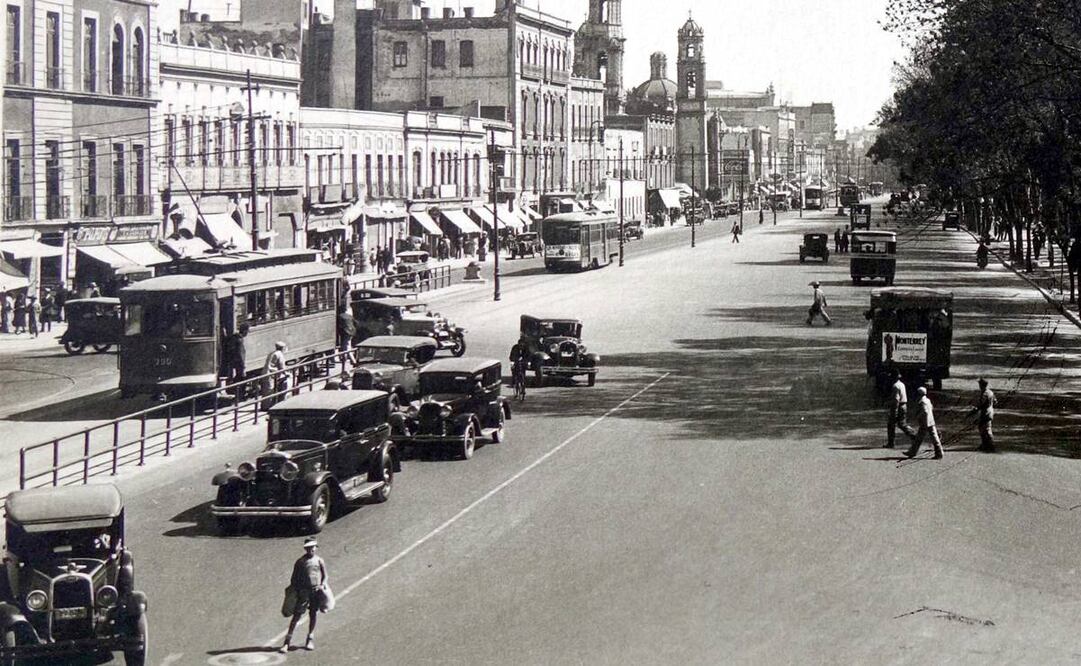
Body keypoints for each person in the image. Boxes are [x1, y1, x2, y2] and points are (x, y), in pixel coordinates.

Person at [280, 538, 328, 653]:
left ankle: (310, 639)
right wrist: (299, 590)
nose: (311, 549)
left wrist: (322, 585)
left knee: (313, 614)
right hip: (304, 593)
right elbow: (294, 579)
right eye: (308, 547)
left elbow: (325, 576)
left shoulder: (319, 560)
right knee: (296, 616)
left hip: (316, 592)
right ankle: (287, 642)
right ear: (305, 549)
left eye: (313, 547)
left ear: (316, 548)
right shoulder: (300, 562)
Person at [905, 387, 944, 459]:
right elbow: (931, 407)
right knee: (933, 437)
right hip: (930, 421)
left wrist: (918, 416)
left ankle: (912, 452)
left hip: (925, 422)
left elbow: (925, 411)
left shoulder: (922, 402)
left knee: (920, 438)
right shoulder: (928, 400)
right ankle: (939, 452)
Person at [885, 370, 916, 448]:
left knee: (891, 424)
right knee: (902, 424)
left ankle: (891, 443)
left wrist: (894, 411)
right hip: (904, 405)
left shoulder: (895, 386)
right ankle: (914, 435)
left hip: (898, 406)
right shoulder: (901, 384)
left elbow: (896, 399)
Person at [970, 377, 995, 452]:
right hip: (990, 412)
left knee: (985, 429)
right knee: (984, 428)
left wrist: (975, 409)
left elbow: (981, 404)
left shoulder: (984, 394)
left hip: (985, 413)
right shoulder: (990, 392)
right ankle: (986, 444)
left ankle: (990, 445)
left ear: (982, 385)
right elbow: (995, 401)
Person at [224, 323, 249, 397]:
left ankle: (236, 392)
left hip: (234, 362)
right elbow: (240, 354)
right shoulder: (239, 340)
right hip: (239, 364)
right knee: (242, 379)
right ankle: (240, 395)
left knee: (238, 378)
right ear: (244, 331)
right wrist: (243, 366)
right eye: (247, 331)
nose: (247, 333)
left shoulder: (235, 337)